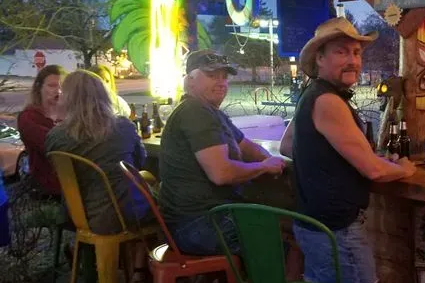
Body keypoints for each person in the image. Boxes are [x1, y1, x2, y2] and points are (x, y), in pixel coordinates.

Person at [279, 17, 416, 283]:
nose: (353, 60)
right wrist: (405, 168)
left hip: (313, 224)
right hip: (336, 230)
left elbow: (287, 146)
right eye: (341, 52)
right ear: (319, 58)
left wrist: (334, 158)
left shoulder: (312, 93)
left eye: (356, 53)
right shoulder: (329, 101)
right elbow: (374, 170)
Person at [159, 49, 286, 256]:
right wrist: (263, 167)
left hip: (201, 218)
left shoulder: (210, 112)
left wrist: (270, 160)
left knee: (284, 223)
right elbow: (221, 174)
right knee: (290, 236)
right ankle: (275, 277)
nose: (221, 83)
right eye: (212, 76)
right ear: (190, 80)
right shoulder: (195, 111)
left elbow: (245, 146)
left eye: (224, 77)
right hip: (198, 224)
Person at [45, 70, 151, 234]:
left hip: (77, 217)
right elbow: (139, 162)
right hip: (125, 216)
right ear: (104, 95)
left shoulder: (55, 137)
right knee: (168, 204)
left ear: (67, 99)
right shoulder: (122, 126)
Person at [17, 65, 66, 197]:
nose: (58, 91)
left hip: (74, 184)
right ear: (39, 87)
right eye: (52, 86)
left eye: (62, 86)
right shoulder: (29, 117)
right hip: (47, 189)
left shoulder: (71, 113)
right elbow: (52, 145)